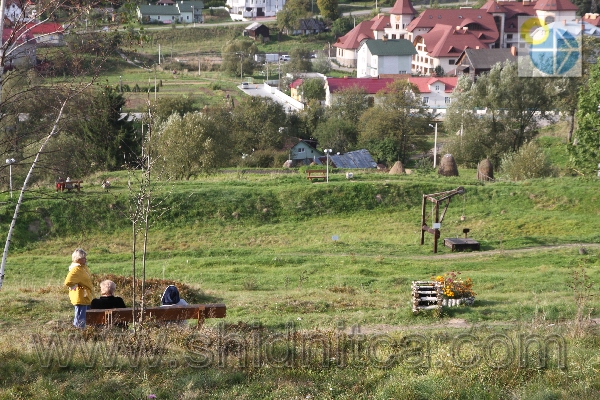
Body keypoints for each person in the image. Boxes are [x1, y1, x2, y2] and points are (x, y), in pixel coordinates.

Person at [64, 248, 93, 329]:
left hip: (86, 296)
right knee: (80, 320)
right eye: (83, 257)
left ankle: (85, 334)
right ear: (78, 259)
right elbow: (68, 281)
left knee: (87, 318)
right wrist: (75, 286)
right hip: (80, 296)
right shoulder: (76, 269)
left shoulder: (83, 267)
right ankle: (78, 335)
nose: (85, 259)